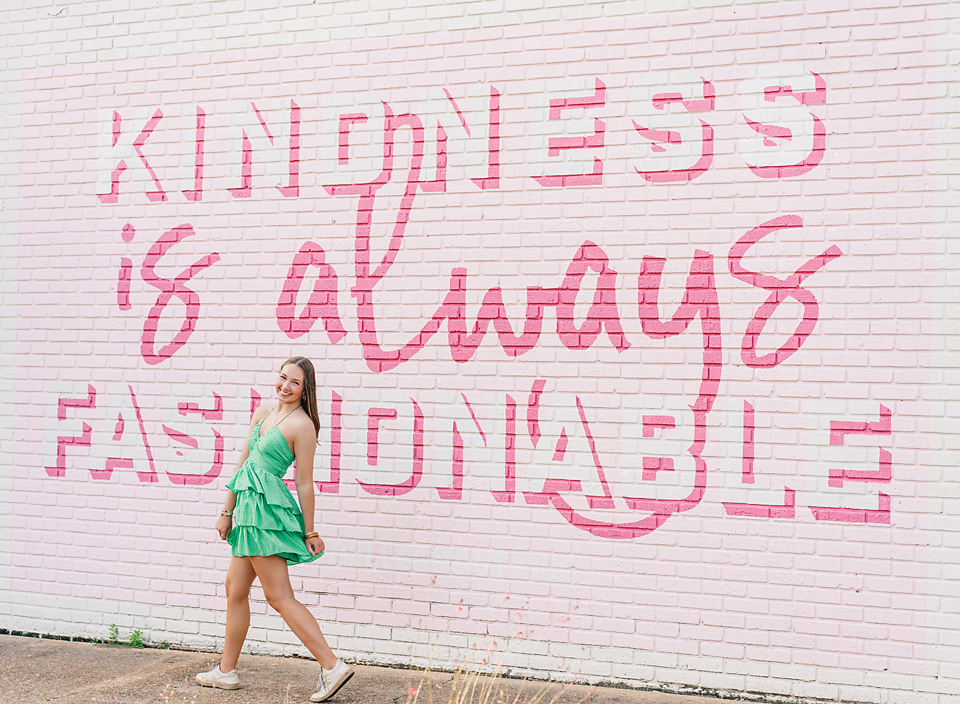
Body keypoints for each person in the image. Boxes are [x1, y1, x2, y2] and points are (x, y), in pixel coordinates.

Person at [196, 356, 354, 702]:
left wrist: (310, 532)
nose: (285, 386)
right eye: (283, 378)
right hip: (248, 510)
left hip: (265, 513)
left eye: (294, 382)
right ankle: (226, 672)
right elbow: (243, 465)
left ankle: (331, 666)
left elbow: (304, 483)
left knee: (278, 596)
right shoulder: (263, 413)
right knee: (235, 588)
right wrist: (227, 509)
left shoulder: (302, 425)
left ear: (305, 389)